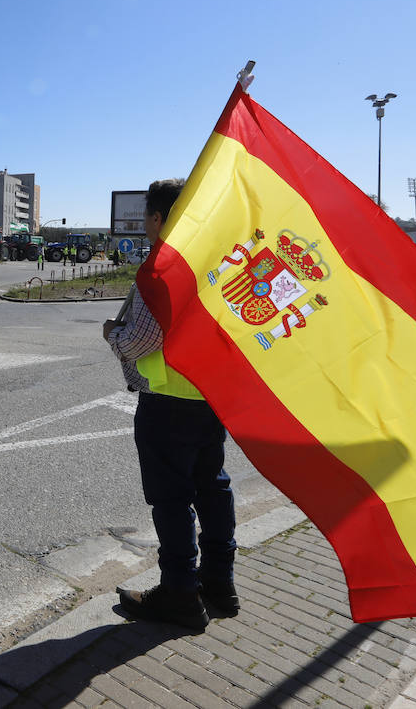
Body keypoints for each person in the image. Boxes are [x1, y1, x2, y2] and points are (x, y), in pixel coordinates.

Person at [103, 178, 238, 632]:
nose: (144, 224)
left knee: (173, 500)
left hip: (167, 400)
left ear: (160, 219)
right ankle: (220, 584)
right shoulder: (218, 264)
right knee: (213, 488)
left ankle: (180, 592)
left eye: (147, 216)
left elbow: (142, 339)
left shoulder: (163, 269)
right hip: (210, 395)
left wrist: (113, 337)